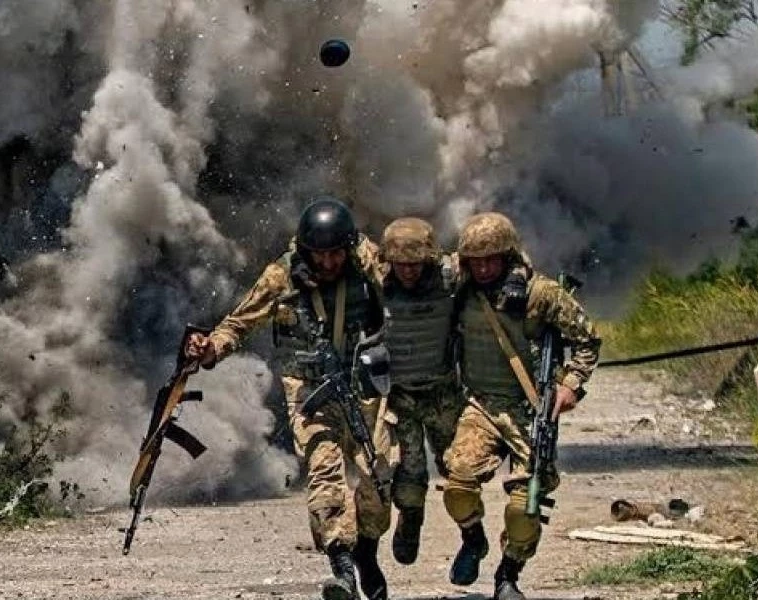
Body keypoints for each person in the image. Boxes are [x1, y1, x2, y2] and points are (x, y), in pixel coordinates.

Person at [185, 195, 397, 600]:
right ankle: (343, 568)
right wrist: (210, 349)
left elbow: (404, 278)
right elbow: (238, 323)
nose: (329, 262)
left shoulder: (366, 261)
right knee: (325, 475)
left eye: (336, 254)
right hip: (310, 391)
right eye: (320, 255)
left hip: (363, 386)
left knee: (379, 478)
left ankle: (367, 553)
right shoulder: (280, 277)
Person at [441, 212, 601, 600]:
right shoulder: (461, 287)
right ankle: (473, 539)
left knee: (524, 507)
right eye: (475, 261)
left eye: (491, 260)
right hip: (481, 406)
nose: (483, 268)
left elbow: (588, 341)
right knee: (458, 484)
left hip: (530, 410)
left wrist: (570, 385)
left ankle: (508, 574)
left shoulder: (540, 294)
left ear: (508, 256)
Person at [376, 217, 464, 566]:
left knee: (458, 470)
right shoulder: (376, 278)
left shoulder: (450, 275)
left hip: (442, 392)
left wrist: (517, 277)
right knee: (409, 472)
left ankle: (472, 536)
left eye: (415, 264)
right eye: (400, 264)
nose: (408, 271)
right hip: (400, 396)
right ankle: (411, 519)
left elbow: (506, 258)